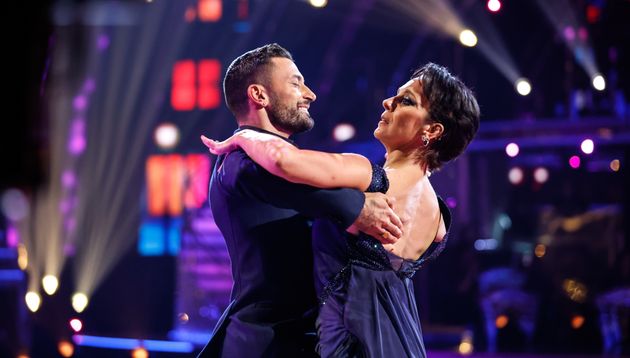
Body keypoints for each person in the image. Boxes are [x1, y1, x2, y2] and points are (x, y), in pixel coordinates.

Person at [202, 62, 480, 357]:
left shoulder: (366, 176)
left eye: (406, 101)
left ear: (432, 131)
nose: (388, 102)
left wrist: (244, 136)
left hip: (354, 346)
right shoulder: (439, 221)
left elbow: (285, 161)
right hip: (404, 344)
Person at [198, 44, 405, 357]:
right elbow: (293, 186)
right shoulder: (240, 164)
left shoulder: (296, 166)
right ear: (259, 95)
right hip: (266, 344)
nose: (310, 94)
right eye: (295, 83)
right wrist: (357, 207)